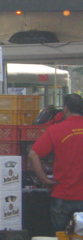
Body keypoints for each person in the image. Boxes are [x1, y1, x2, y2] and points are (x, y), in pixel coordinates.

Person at [28, 93, 83, 231]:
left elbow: (33, 154)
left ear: (66, 108)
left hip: (62, 194)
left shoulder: (55, 130)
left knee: (61, 238)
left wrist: (44, 179)